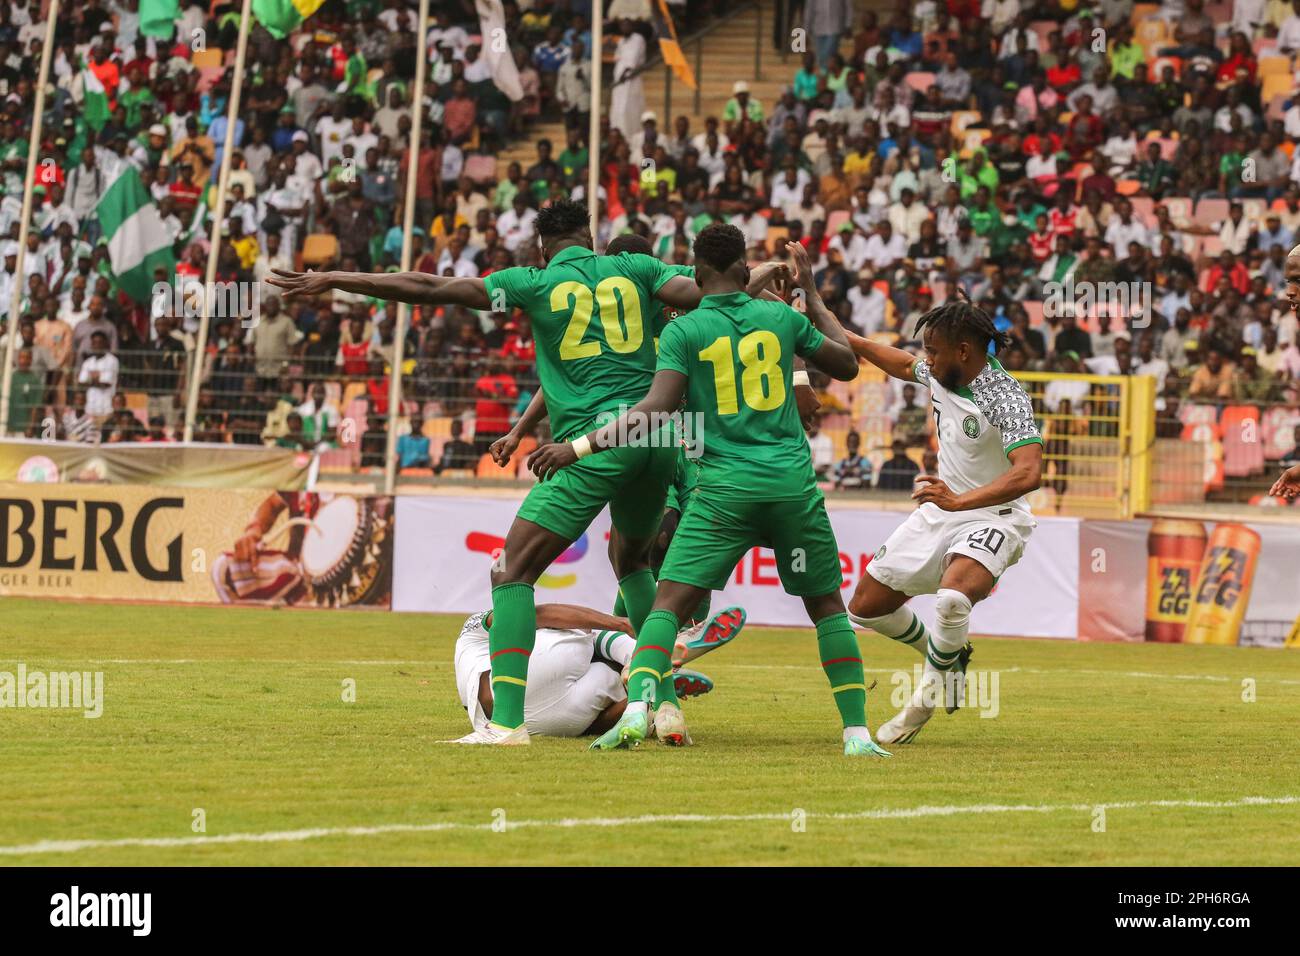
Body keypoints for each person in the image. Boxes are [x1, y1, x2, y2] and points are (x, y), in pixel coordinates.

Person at [270, 199, 724, 746]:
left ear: (541, 247)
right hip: (656, 439)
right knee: (631, 563)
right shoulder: (636, 270)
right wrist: (772, 284)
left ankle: (507, 723)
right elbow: (713, 290)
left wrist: (339, 278)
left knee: (510, 573)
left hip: (596, 443)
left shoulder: (532, 282)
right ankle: (663, 707)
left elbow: (433, 288)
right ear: (591, 237)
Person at [528, 228, 889, 757]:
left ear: (694, 278)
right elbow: (847, 363)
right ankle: (856, 735)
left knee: (665, 609)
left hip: (723, 491)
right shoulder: (783, 318)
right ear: (746, 273)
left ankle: (635, 715)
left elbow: (652, 411)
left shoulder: (684, 331)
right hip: (790, 486)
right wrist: (811, 295)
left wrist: (578, 447)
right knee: (829, 609)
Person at [843, 293, 1043, 745]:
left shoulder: (1004, 395)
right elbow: (894, 361)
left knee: (952, 601)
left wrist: (959, 501)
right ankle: (948, 657)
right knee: (865, 608)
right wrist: (826, 316)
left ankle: (923, 703)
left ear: (964, 351)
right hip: (943, 511)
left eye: (933, 350)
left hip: (995, 514)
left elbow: (1029, 472)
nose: (926, 359)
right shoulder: (941, 375)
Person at [453, 602, 748, 739]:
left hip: (536, 722)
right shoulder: (472, 626)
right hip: (537, 673)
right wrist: (619, 622)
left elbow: (596, 724)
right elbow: (536, 614)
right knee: (589, 631)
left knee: (600, 709)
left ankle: (644, 702)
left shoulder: (471, 647)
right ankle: (644, 659)